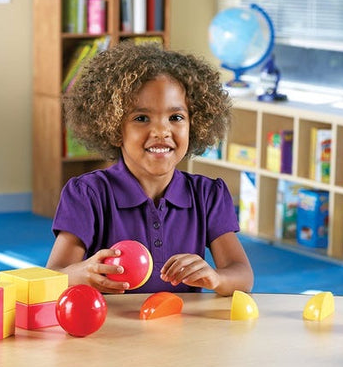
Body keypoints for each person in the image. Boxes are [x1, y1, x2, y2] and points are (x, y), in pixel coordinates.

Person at [46, 41, 254, 296]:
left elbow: (242, 275)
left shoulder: (208, 195)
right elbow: (53, 276)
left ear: (195, 124)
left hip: (182, 330)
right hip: (110, 331)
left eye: (175, 118)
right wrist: (83, 273)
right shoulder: (87, 195)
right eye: (141, 118)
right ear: (113, 128)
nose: (161, 131)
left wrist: (216, 278)